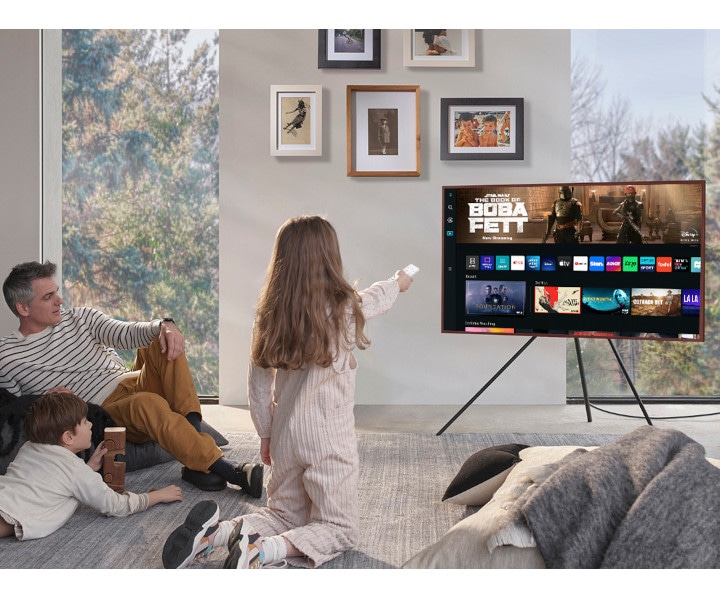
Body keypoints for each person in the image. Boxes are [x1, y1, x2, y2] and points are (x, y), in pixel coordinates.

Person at [161, 215, 414, 569]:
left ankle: (215, 534)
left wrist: (266, 435)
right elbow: (376, 298)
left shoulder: (269, 316)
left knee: (283, 514)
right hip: (328, 440)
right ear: (328, 258)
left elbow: (258, 385)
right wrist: (399, 281)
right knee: (340, 529)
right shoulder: (342, 307)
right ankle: (261, 552)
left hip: (285, 435)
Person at [0, 261, 263, 496]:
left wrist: (166, 325)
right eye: (48, 297)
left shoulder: (80, 317)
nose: (59, 300)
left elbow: (129, 333)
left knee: (160, 341)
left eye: (57, 291)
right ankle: (230, 470)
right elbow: (11, 409)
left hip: (132, 379)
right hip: (105, 408)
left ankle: (195, 444)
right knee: (148, 404)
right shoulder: (7, 356)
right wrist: (41, 400)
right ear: (23, 307)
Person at [0, 392, 182, 540]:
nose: (91, 424)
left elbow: (51, 480)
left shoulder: (29, 447)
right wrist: (155, 496)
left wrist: (88, 468)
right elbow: (115, 505)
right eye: (85, 422)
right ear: (68, 437)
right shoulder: (74, 470)